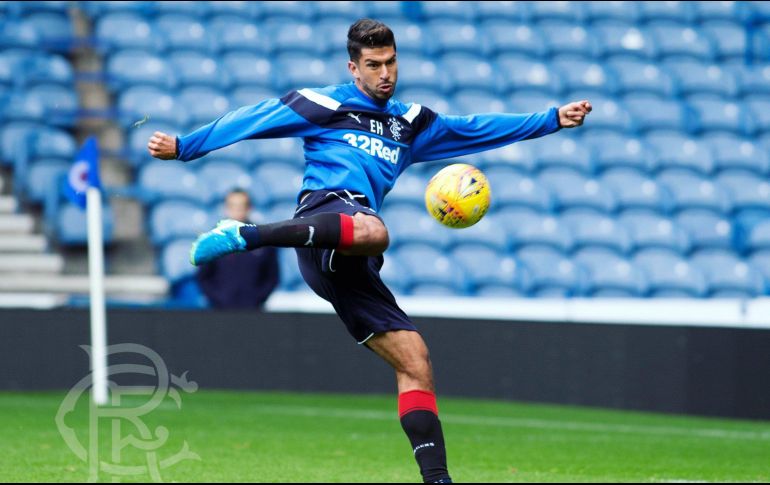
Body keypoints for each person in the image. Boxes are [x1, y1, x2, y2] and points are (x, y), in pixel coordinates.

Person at [147, 18, 591, 483]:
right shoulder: (323, 103)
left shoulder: (411, 122)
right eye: (374, 65)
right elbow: (253, 117)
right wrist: (185, 147)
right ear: (353, 67)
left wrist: (552, 119)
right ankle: (245, 235)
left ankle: (437, 479)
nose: (386, 74)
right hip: (323, 217)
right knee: (376, 230)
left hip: (350, 259)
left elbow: (473, 128)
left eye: (391, 62)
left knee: (415, 359)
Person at [195, 189, 279, 309]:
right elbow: (203, 277)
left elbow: (272, 276)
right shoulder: (213, 239)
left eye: (241, 206)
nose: (237, 210)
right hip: (220, 311)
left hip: (253, 310)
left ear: (249, 208)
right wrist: (218, 299)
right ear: (226, 208)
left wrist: (257, 298)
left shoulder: (262, 238)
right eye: (233, 206)